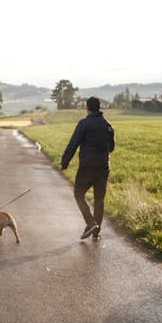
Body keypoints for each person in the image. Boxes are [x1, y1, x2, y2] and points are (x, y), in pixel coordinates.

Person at [60, 96, 115, 239]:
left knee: (78, 194)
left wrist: (65, 162)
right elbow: (112, 147)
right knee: (99, 199)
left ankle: (90, 223)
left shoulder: (84, 124)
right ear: (100, 107)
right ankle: (96, 232)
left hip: (87, 167)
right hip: (103, 167)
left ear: (88, 108)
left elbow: (73, 143)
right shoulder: (108, 125)